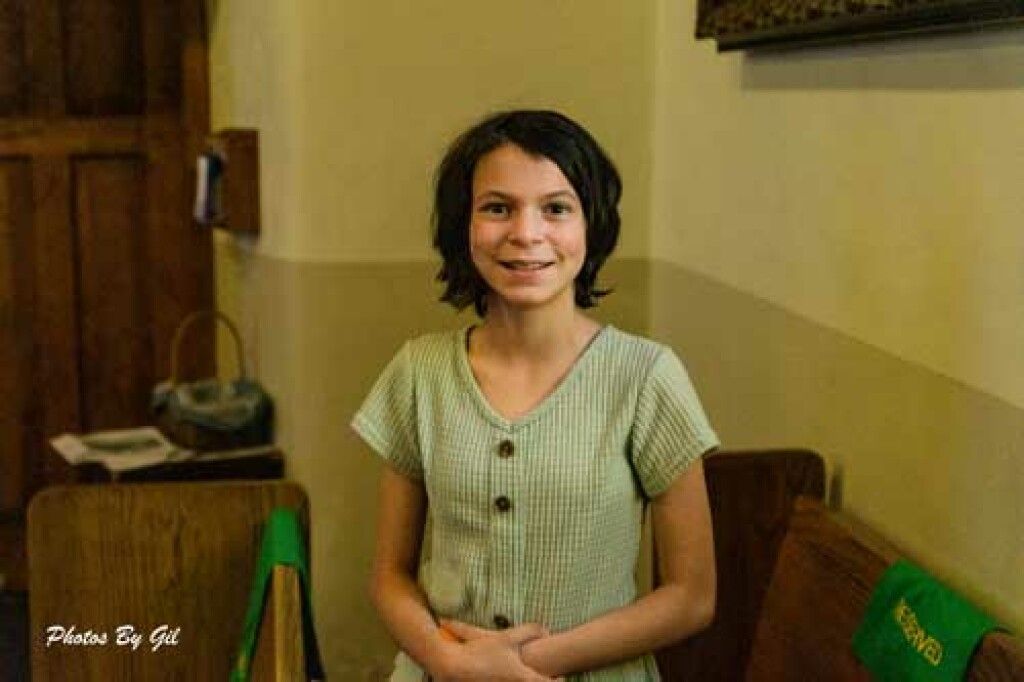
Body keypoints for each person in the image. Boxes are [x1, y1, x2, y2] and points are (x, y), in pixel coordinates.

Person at [352, 110, 719, 681]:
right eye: (497, 207)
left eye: (556, 208)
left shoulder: (647, 377)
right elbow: (388, 577)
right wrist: (451, 662)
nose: (526, 233)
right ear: (463, 226)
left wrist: (516, 665)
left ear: (590, 224)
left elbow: (692, 595)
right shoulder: (418, 372)